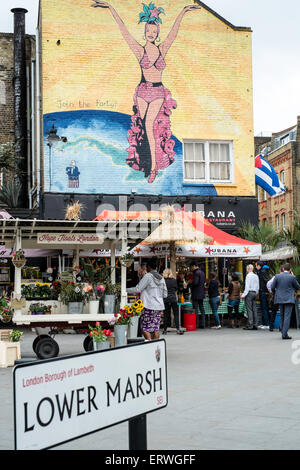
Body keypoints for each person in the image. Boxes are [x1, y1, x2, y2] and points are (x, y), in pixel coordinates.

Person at [92, 1, 200, 183]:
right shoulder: (139, 50)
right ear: (144, 33)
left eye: (154, 32)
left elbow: (173, 34)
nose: (151, 34)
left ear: (157, 34)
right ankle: (144, 162)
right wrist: (111, 8)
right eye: (148, 31)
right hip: (143, 91)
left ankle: (153, 167)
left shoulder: (162, 49)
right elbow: (124, 32)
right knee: (142, 128)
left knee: (150, 127)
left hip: (158, 92)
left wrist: (183, 11)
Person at [127, 258, 167, 340]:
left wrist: (124, 290)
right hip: (159, 306)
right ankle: (155, 347)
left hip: (148, 306)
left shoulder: (148, 276)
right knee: (156, 328)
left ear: (149, 267)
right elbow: (165, 294)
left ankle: (149, 345)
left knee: (145, 328)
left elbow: (138, 288)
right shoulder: (162, 278)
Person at [271, 263, 300, 340]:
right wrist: (293, 276)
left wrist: (275, 293)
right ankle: (284, 333)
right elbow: (297, 287)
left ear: (283, 269)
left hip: (279, 298)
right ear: (290, 270)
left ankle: (282, 330)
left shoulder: (277, 276)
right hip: (289, 299)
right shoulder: (292, 277)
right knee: (287, 316)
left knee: (282, 315)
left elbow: (272, 287)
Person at [162, 268, 183, 335]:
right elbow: (176, 288)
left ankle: (165, 330)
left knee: (166, 315)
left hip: (166, 299)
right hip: (173, 299)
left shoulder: (163, 280)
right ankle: (177, 329)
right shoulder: (174, 280)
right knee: (176, 314)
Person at [241, 264, 259, 330]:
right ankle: (255, 324)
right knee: (254, 309)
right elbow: (258, 286)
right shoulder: (256, 276)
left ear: (248, 269)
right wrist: (256, 293)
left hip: (249, 293)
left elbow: (247, 287)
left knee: (249, 309)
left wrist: (243, 295)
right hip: (254, 293)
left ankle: (251, 325)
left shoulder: (248, 276)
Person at [267, 266, 284, 331]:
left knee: (274, 312)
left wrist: (272, 291)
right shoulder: (286, 277)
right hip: (282, 296)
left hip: (276, 296)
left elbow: (269, 284)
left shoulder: (276, 277)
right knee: (282, 312)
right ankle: (281, 327)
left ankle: (271, 326)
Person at [189, 262, 206, 329]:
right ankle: (203, 323)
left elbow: (196, 282)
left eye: (191, 267)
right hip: (201, 293)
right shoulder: (202, 272)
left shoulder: (196, 273)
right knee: (202, 309)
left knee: (195, 309)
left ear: (194, 266)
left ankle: (196, 324)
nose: (191, 268)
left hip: (196, 293)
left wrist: (190, 284)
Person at [256, 261, 270, 327]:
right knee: (263, 307)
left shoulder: (262, 272)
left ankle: (267, 324)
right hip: (263, 291)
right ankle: (265, 323)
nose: (256, 267)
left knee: (264, 307)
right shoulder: (261, 272)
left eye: (256, 265)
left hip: (263, 292)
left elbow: (266, 281)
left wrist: (266, 291)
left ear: (259, 266)